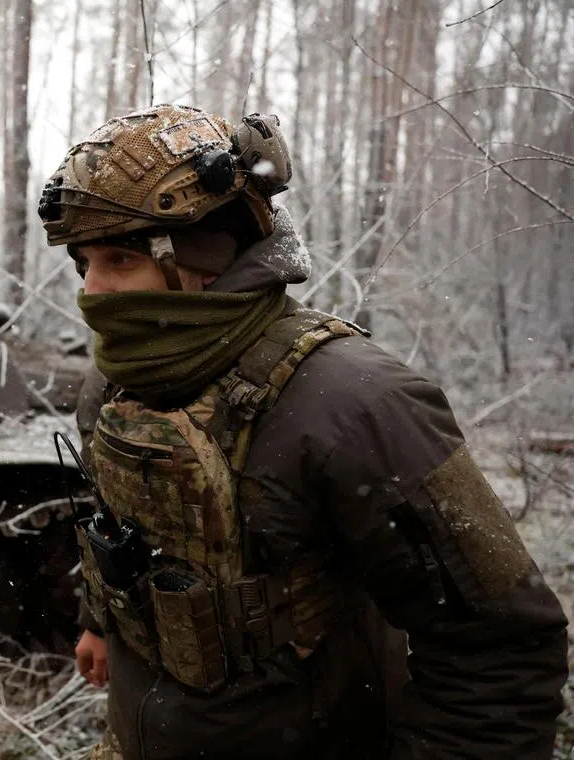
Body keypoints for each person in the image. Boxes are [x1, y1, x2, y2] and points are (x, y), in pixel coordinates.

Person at [37, 104, 569, 760]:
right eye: (84, 262)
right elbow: (121, 527)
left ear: (208, 259)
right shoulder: (116, 381)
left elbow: (499, 649)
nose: (92, 292)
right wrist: (100, 620)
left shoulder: (354, 402)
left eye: (120, 259)